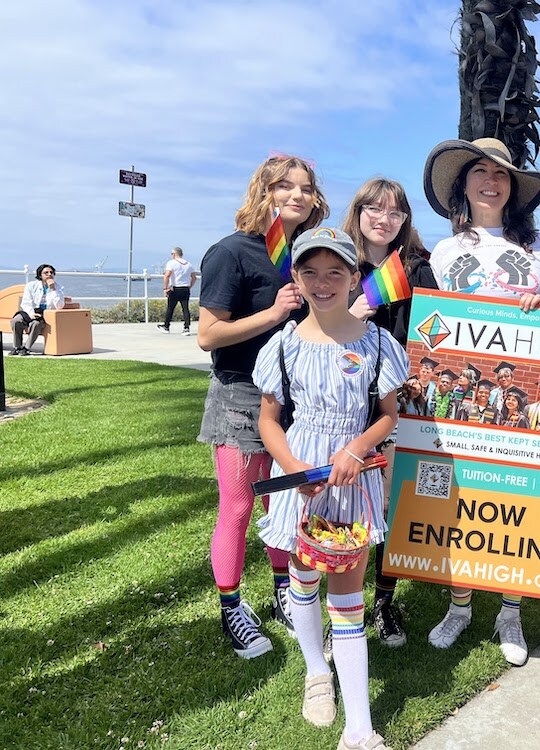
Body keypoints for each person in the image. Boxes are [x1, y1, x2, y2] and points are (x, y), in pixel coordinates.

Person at [253, 227, 407, 747]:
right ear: (296, 277)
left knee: (347, 589)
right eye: (310, 272)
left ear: (354, 278)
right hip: (300, 481)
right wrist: (295, 467)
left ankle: (360, 728)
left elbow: (388, 414)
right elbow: (269, 421)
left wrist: (354, 449)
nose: (323, 283)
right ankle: (317, 670)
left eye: (335, 272)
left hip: (354, 477)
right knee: (302, 573)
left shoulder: (379, 344)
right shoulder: (282, 347)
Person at [423, 135, 540, 665]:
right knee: (462, 498)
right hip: (465, 392)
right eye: (480, 170)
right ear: (463, 184)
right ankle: (459, 605)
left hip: (521, 391)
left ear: (513, 187)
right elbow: (440, 327)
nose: (490, 179)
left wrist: (538, 304)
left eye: (501, 172)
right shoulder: (445, 251)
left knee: (518, 497)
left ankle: (510, 610)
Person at [196, 154, 329, 659]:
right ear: (264, 190)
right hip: (242, 396)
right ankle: (231, 608)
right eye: (284, 186)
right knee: (238, 506)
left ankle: (281, 593)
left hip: (296, 400)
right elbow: (208, 335)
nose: (297, 195)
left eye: (306, 188)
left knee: (282, 503)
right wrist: (273, 311)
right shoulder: (231, 253)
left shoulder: (303, 255)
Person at [340, 177, 439, 649]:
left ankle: (383, 600)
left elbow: (439, 330)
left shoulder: (416, 268)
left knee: (391, 506)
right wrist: (351, 313)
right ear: (358, 212)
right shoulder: (338, 263)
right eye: (375, 209)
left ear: (405, 221)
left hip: (396, 406)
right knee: (344, 505)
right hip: (343, 406)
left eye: (395, 212)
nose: (384, 219)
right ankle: (342, 603)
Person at [9, 264, 65, 356]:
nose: (49, 274)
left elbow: (59, 306)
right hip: (29, 311)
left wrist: (53, 290)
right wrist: (31, 313)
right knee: (16, 321)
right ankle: (17, 347)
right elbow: (26, 303)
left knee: (36, 324)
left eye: (51, 272)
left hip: (45, 314)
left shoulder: (59, 288)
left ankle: (26, 348)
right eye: (46, 272)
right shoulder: (31, 286)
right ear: (40, 275)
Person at [158, 246, 198, 335]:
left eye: (172, 253)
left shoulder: (171, 263)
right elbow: (194, 277)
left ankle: (166, 326)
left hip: (175, 288)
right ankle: (186, 328)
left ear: (175, 254)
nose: (171, 255)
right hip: (185, 288)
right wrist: (189, 286)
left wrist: (165, 288)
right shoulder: (189, 264)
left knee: (170, 308)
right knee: (185, 309)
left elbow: (167, 275)